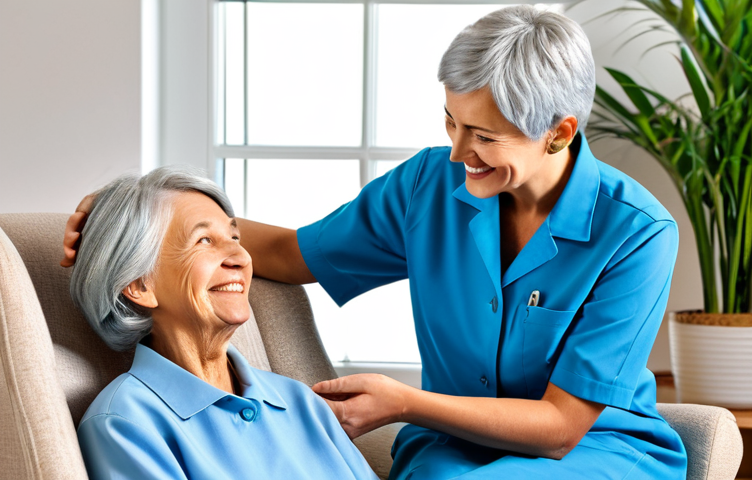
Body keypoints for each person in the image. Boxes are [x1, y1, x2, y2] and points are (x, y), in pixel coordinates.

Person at [64, 5, 687, 479]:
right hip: (450, 452)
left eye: (485, 136)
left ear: (558, 133)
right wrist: (128, 218)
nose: (456, 152)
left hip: (592, 451)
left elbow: (559, 429)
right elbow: (289, 253)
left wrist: (406, 403)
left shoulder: (637, 233)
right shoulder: (428, 186)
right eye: (450, 120)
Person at [69, 167, 378, 480]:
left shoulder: (299, 401)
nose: (241, 256)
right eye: (204, 240)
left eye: (235, 237)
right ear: (139, 285)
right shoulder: (124, 424)